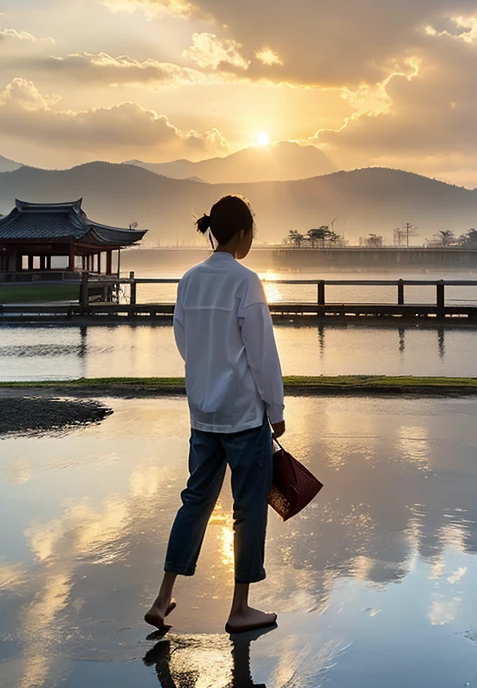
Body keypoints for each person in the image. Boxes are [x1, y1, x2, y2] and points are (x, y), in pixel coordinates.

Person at [145, 195, 285, 635]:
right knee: (248, 510)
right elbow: (262, 353)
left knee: (196, 501)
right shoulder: (245, 282)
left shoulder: (190, 279)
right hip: (243, 413)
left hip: (202, 412)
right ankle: (239, 608)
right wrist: (275, 407)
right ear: (242, 234)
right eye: (251, 235)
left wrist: (207, 381)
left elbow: (185, 343)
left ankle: (164, 596)